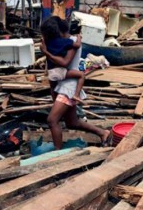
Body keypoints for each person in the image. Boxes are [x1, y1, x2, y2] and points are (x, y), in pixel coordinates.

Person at [40, 17, 110, 150]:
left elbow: (65, 63)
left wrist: (46, 52)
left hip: (69, 86)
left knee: (52, 120)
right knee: (72, 122)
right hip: (63, 84)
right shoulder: (61, 42)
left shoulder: (71, 42)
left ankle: (57, 153)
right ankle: (103, 133)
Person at [41, 18, 85, 104]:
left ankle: (55, 101)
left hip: (59, 80)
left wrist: (45, 52)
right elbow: (64, 62)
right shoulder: (68, 42)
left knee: (55, 117)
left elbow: (64, 62)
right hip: (65, 81)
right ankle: (77, 94)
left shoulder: (48, 42)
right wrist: (79, 37)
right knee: (81, 75)